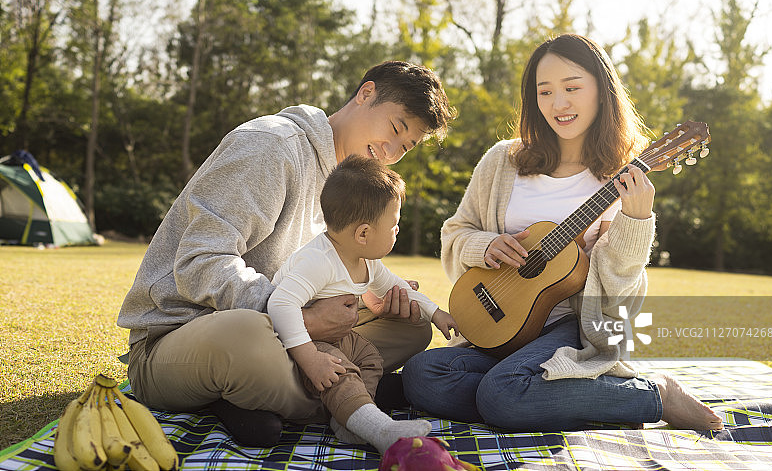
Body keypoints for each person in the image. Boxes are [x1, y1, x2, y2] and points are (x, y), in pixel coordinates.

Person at [116, 60, 457, 447]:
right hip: (184, 333)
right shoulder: (271, 146)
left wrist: (364, 298)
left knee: (408, 324)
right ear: (366, 94)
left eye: (406, 147)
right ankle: (350, 396)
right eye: (395, 129)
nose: (390, 151)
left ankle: (284, 396)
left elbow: (314, 271)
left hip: (284, 327)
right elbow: (200, 263)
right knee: (245, 337)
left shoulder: (348, 181)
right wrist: (304, 320)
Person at [402, 34, 723, 433]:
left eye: (572, 88)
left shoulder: (621, 179)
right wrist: (486, 246)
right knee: (421, 374)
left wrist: (635, 223)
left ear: (602, 92)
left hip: (571, 330)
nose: (558, 104)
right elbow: (455, 233)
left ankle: (655, 395)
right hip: (500, 325)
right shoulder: (503, 160)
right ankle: (561, 400)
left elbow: (615, 296)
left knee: (501, 395)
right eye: (545, 91)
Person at [268, 155, 458, 452]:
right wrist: (309, 358)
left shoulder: (365, 260)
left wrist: (435, 312)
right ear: (364, 233)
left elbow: (395, 286)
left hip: (340, 338)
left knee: (369, 359)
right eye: (394, 223)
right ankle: (380, 429)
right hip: (300, 345)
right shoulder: (319, 260)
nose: (398, 229)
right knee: (341, 372)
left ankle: (351, 422)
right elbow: (280, 304)